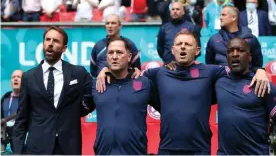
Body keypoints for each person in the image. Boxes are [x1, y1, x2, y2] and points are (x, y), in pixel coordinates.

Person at [97, 30, 270, 155]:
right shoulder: (157, 73)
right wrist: (105, 70)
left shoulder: (211, 72)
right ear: (172, 50)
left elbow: (239, 68)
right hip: (167, 149)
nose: (182, 48)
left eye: (188, 44)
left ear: (197, 51)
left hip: (199, 149)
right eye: (179, 44)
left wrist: (260, 70)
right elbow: (128, 74)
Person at [12, 26, 94, 155]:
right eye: (47, 40)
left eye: (55, 41)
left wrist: (75, 111)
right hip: (36, 148)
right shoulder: (28, 77)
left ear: (64, 48)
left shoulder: (78, 73)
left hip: (69, 147)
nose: (50, 43)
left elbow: (93, 93)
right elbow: (21, 118)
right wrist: (17, 152)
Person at [91, 37, 159, 155]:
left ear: (129, 57)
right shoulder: (96, 85)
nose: (115, 56)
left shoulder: (145, 84)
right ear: (106, 57)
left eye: (119, 52)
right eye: (111, 53)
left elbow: (168, 110)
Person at [216, 38, 276, 155]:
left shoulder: (264, 85)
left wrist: (261, 70)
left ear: (249, 57)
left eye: (240, 50)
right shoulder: (218, 82)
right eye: (230, 51)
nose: (235, 54)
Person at [206, 5, 263, 71]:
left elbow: (257, 64)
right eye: (220, 15)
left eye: (224, 15)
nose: (220, 18)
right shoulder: (213, 40)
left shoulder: (251, 39)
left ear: (234, 17)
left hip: (245, 78)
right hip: (221, 79)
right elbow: (209, 65)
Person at [90, 14, 141, 78]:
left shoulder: (129, 44)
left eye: (113, 23)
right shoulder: (98, 46)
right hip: (103, 87)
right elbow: (93, 71)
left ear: (120, 26)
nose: (110, 26)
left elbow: (137, 69)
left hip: (124, 86)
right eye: (107, 23)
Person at [157, 1, 198, 66]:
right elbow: (160, 49)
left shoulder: (191, 27)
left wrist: (187, 62)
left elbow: (197, 47)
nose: (175, 11)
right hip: (168, 66)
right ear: (170, 13)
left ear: (183, 12)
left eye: (177, 9)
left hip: (187, 67)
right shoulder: (164, 28)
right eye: (173, 9)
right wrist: (168, 61)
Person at [1, 69, 23, 152]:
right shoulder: (4, 98)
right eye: (13, 77)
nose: (15, 79)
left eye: (19, 77)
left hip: (20, 138)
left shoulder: (28, 99)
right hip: (4, 138)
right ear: (11, 81)